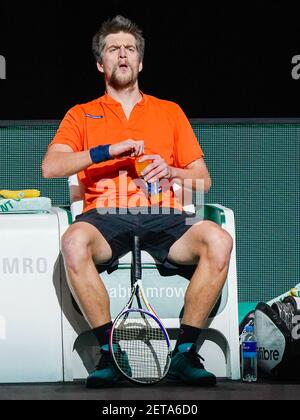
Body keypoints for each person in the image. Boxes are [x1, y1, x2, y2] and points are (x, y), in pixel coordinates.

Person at [42, 15, 233, 388]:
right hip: (105, 214)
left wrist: (173, 172)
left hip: (166, 215)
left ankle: (184, 354)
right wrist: (106, 151)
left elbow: (203, 181)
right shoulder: (81, 114)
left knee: (219, 240)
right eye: (113, 49)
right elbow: (51, 166)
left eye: (130, 49)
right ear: (101, 63)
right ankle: (110, 357)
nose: (123, 55)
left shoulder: (169, 111)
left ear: (141, 62)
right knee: (73, 242)